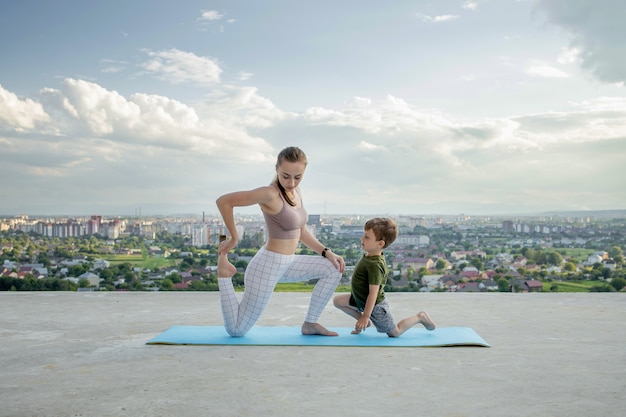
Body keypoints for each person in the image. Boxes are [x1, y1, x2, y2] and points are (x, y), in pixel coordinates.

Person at [216, 146, 345, 337]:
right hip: (267, 266)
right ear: (276, 169)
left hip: (289, 263)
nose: (291, 182)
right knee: (236, 330)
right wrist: (234, 236)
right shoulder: (269, 194)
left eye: (297, 177)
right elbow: (224, 201)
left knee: (334, 268)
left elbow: (301, 231)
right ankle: (224, 274)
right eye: (286, 176)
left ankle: (310, 324)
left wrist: (327, 252)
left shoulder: (296, 192)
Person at [333, 217, 436, 337]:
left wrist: (366, 316)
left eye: (367, 237)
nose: (362, 239)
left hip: (375, 306)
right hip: (359, 300)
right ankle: (364, 322)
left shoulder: (375, 265)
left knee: (395, 332)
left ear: (380, 244)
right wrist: (364, 317)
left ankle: (420, 317)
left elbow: (373, 294)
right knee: (337, 301)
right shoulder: (369, 255)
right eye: (363, 235)